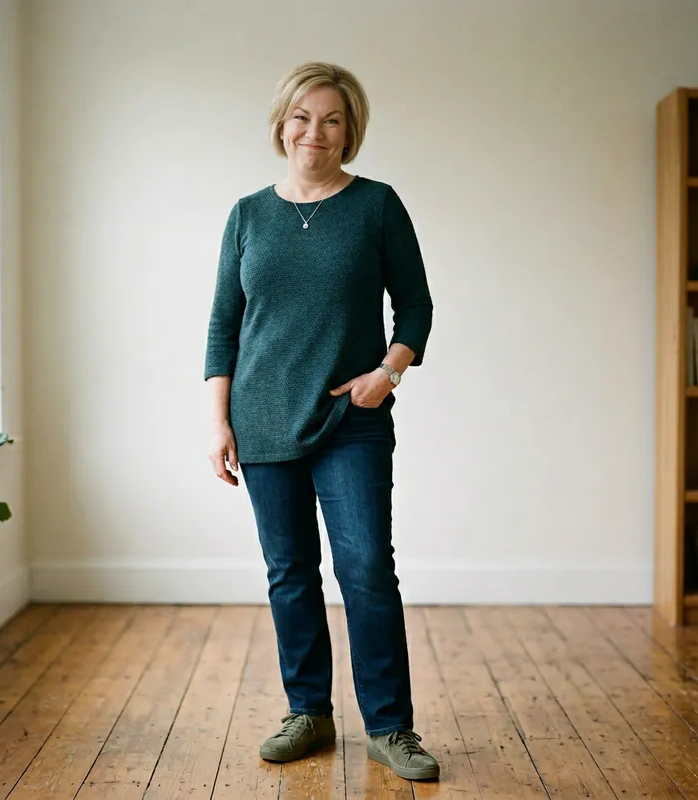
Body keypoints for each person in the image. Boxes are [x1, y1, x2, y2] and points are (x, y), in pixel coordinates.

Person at [203, 61, 438, 782]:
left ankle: (390, 727)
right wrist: (218, 422)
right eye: (303, 117)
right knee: (290, 574)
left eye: (332, 119)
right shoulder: (247, 215)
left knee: (366, 569)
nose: (316, 131)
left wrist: (386, 373)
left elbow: (416, 306)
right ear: (282, 125)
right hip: (262, 420)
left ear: (349, 131)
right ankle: (308, 711)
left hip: (350, 419)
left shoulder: (376, 206)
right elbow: (223, 326)